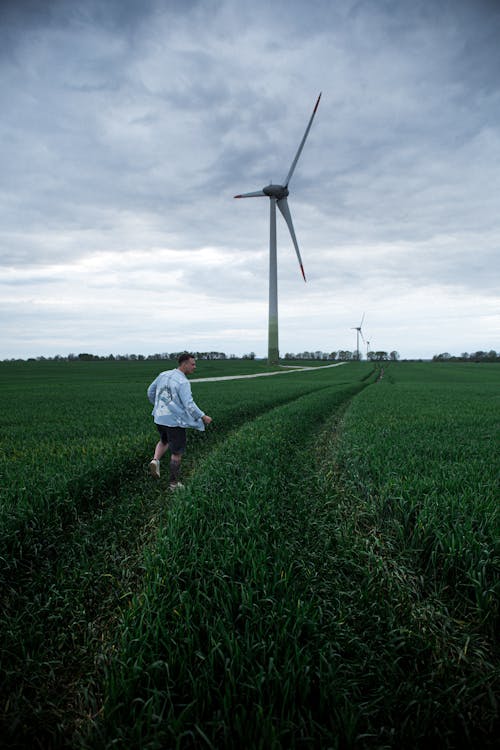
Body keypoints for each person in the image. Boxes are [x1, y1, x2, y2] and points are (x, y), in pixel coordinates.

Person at [147, 353, 212, 490]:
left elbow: (150, 391)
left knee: (164, 440)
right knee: (176, 453)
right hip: (174, 421)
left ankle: (155, 460)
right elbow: (189, 404)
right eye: (193, 364)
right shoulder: (183, 382)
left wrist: (158, 406)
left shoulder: (163, 375)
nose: (194, 367)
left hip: (159, 418)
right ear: (184, 364)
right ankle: (174, 484)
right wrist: (203, 416)